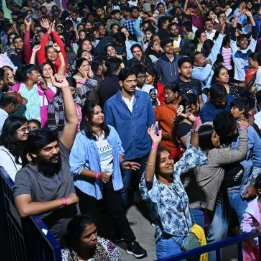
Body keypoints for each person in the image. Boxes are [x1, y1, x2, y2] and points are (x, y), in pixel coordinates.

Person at [69, 102, 147, 258]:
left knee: (118, 211)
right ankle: (90, 251)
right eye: (96, 113)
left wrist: (123, 163)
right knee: (91, 218)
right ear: (87, 117)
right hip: (88, 186)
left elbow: (119, 151)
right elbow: (75, 167)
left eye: (101, 112)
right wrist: (97, 175)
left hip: (109, 180)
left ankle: (131, 243)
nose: (101, 115)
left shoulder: (110, 131)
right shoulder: (82, 138)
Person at [13, 75, 80, 242]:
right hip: (50, 242)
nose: (55, 151)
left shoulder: (62, 155)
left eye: (55, 146)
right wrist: (64, 201)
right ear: (33, 154)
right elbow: (24, 209)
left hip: (75, 234)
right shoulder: (25, 175)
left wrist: (64, 88)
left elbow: (72, 121)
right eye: (48, 149)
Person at [140, 122, 208, 257]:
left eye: (170, 158)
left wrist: (194, 126)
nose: (169, 162)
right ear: (155, 166)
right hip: (170, 244)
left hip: (188, 238)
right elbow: (148, 177)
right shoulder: (153, 186)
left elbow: (192, 152)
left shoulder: (175, 175)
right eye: (163, 161)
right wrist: (155, 144)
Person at [103, 67, 156, 208]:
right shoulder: (111, 104)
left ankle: (153, 214)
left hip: (144, 149)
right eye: (129, 81)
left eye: (134, 80)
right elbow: (108, 132)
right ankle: (122, 217)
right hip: (124, 154)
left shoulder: (144, 98)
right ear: (121, 83)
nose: (133, 84)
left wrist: (153, 145)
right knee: (122, 187)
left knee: (148, 184)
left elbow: (151, 123)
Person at [0, 115, 30, 180]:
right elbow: (13, 179)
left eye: (28, 128)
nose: (27, 131)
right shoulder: (2, 153)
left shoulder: (26, 144)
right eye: (23, 129)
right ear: (12, 131)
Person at [154, 82, 184, 161]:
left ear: (176, 94)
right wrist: (158, 132)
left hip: (184, 146)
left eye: (168, 93)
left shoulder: (184, 103)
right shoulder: (161, 109)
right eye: (164, 93)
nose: (165, 96)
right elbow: (149, 122)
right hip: (168, 147)